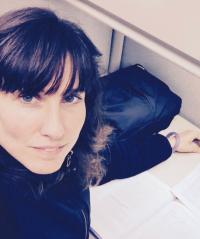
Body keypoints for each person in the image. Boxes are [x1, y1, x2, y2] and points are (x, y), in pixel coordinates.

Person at [0, 7, 200, 239]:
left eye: (70, 97)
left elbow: (106, 159)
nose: (56, 130)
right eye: (28, 97)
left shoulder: (71, 156)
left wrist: (170, 143)